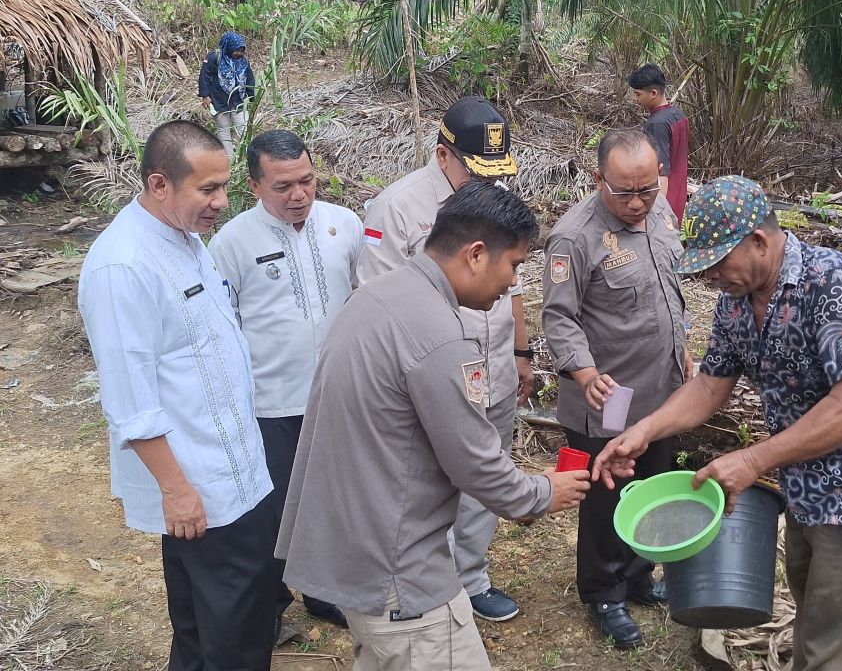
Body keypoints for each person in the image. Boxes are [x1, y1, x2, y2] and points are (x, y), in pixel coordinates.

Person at [594, 176, 842, 671]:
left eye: (717, 263)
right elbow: (711, 384)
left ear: (758, 241)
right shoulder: (737, 299)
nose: (710, 277)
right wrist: (645, 431)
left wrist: (753, 459)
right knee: (812, 610)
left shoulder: (834, 285)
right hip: (805, 485)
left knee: (833, 642)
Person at [277, 182, 591, 671]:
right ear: (476, 254)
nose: (512, 284)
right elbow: (475, 461)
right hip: (401, 574)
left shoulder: (377, 298)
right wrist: (542, 493)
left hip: (354, 548)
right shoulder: (440, 338)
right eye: (513, 265)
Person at [78, 120, 276, 670]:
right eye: (207, 190)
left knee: (209, 621)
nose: (221, 202)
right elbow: (129, 399)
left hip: (237, 468)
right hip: (199, 485)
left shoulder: (185, 239)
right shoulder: (123, 266)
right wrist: (176, 489)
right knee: (232, 630)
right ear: (159, 184)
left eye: (224, 187)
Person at [357, 95, 534, 622]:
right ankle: (423, 581)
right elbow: (377, 300)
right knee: (426, 481)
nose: (487, 182)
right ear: (442, 155)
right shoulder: (398, 208)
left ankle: (471, 577)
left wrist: (522, 350)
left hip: (495, 364)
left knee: (487, 470)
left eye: (496, 172)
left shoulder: (494, 199)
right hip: (432, 378)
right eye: (476, 170)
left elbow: (513, 281)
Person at [208, 130, 363, 634]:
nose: (298, 195)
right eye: (282, 187)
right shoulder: (231, 243)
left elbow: (365, 299)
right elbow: (222, 326)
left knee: (330, 499)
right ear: (253, 186)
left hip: (337, 397)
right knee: (272, 510)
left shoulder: (345, 225)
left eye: (307, 181)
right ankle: (270, 603)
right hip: (270, 403)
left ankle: (323, 590)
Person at [541, 128, 690, 649]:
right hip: (608, 396)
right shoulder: (574, 236)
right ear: (597, 177)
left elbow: (670, 292)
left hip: (663, 390)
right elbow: (558, 318)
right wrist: (584, 373)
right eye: (624, 191)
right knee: (606, 495)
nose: (637, 202)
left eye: (646, 189)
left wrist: (682, 348)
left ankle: (637, 573)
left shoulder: (661, 213)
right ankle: (604, 592)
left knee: (652, 483)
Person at [629, 63, 689, 221]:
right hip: (678, 198)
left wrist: (657, 210)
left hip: (664, 205)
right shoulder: (678, 115)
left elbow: (661, 171)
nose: (635, 99)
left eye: (638, 94)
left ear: (653, 93)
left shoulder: (657, 124)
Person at [198, 31, 256, 157]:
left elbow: (249, 79)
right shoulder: (214, 57)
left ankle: (246, 157)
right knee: (223, 129)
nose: (239, 54)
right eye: (237, 50)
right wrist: (205, 96)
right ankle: (229, 159)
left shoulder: (243, 61)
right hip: (219, 100)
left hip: (239, 100)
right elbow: (204, 77)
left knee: (243, 128)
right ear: (229, 47)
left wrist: (252, 97)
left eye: (242, 51)